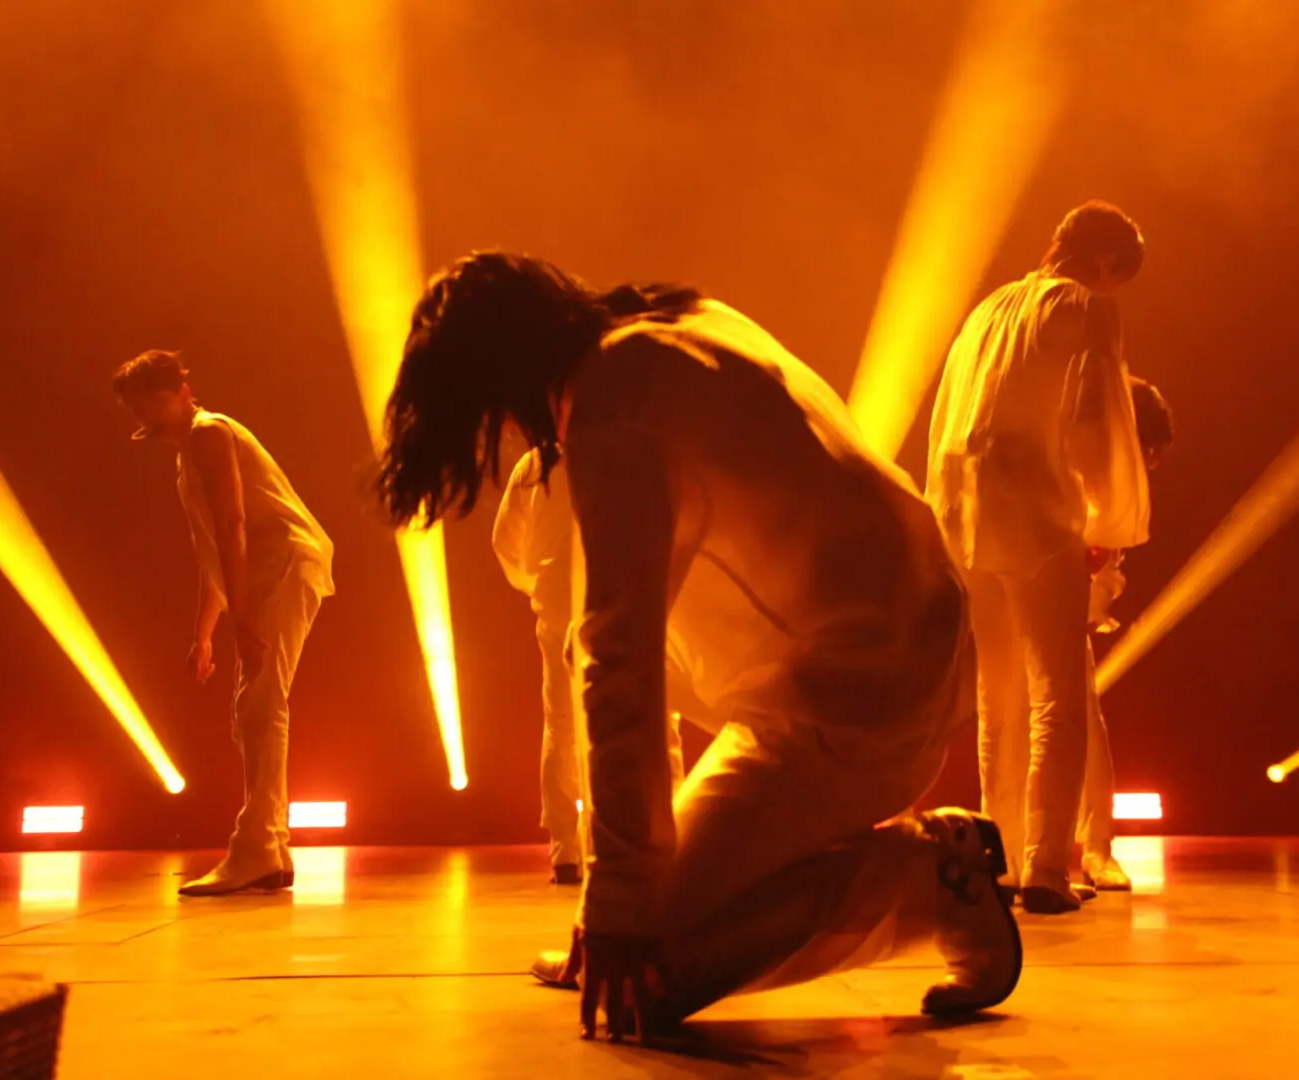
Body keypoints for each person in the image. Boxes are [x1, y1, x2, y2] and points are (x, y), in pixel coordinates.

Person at [378, 253, 1021, 1041]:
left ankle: (926, 878)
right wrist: (622, 898)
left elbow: (619, 654)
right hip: (904, 650)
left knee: (644, 982)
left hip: (853, 698)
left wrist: (622, 905)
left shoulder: (614, 404)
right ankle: (903, 867)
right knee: (651, 912)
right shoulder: (680, 322)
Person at [926, 201, 1152, 914]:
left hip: (965, 518)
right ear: (1107, 263)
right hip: (1037, 513)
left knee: (998, 698)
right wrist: (1104, 516)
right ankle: (1047, 867)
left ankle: (999, 857)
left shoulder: (988, 311)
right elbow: (1094, 418)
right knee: (1058, 692)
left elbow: (950, 421)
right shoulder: (1084, 308)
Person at [114, 350, 334, 896]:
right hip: (265, 572)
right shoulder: (191, 450)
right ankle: (271, 851)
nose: (142, 414)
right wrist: (205, 630)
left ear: (180, 392)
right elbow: (213, 551)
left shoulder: (210, 433)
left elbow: (235, 524)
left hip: (282, 563)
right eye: (135, 406)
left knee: (262, 701)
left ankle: (257, 849)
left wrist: (239, 617)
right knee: (256, 705)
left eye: (149, 401)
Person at [492, 445, 694, 885]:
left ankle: (567, 847)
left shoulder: (535, 464)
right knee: (654, 706)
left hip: (561, 600)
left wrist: (541, 583)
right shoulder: (636, 447)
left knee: (562, 720)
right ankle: (669, 830)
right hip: (626, 592)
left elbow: (507, 543)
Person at [1078, 375, 1174, 891]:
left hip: (1068, 601)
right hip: (1036, 590)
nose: (1151, 462)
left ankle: (1094, 848)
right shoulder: (1081, 459)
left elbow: (1107, 557)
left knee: (1084, 726)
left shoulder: (1118, 478)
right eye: (1150, 448)